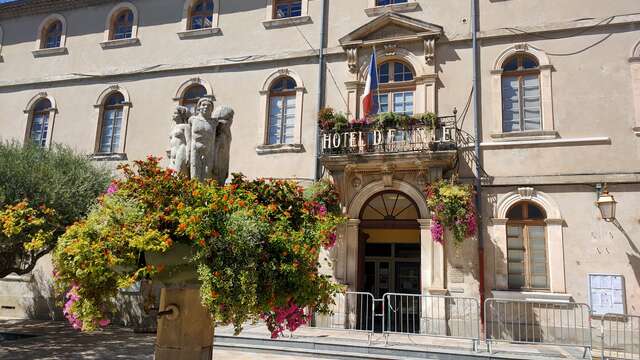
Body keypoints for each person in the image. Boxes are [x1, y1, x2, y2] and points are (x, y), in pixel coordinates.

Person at [189, 98, 217, 181]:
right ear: (199, 107)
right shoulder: (193, 120)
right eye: (203, 105)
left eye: (209, 106)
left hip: (209, 150)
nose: (206, 107)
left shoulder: (214, 122)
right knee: (195, 174)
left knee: (207, 175)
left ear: (212, 109)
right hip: (195, 148)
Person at [168, 106, 191, 176]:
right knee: (171, 176)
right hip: (172, 155)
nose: (173, 115)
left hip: (181, 151)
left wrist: (188, 155)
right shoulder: (173, 127)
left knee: (179, 176)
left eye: (175, 113)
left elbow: (189, 141)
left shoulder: (185, 126)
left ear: (181, 115)